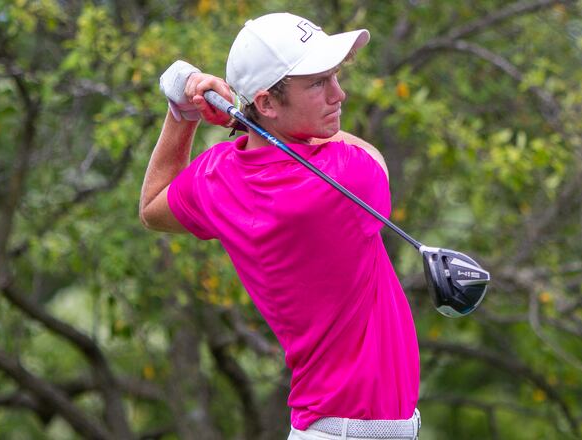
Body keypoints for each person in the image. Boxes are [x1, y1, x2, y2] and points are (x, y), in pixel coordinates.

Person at [139, 12, 421, 440]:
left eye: (335, 77)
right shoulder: (344, 179)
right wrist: (239, 118)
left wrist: (183, 112)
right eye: (318, 83)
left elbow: (152, 206)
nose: (338, 94)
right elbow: (373, 159)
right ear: (267, 103)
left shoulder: (218, 176)